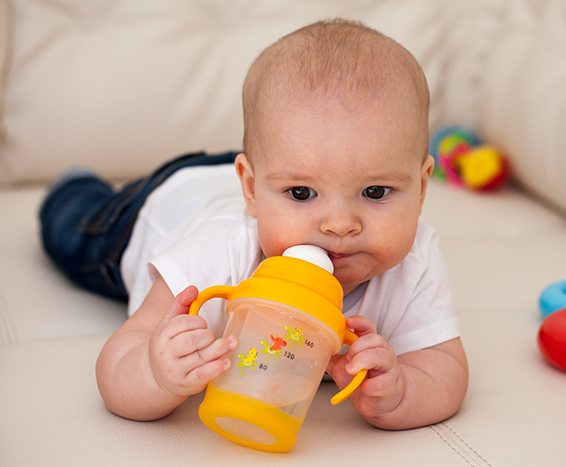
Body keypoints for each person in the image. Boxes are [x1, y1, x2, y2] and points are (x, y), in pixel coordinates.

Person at [40, 19, 468, 430]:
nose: (339, 225)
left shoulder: (414, 263)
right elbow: (119, 364)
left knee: (290, 159)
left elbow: (444, 368)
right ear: (250, 190)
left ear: (422, 188)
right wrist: (155, 372)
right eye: (302, 193)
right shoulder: (219, 253)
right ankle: (73, 183)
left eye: (375, 192)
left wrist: (400, 392)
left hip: (269, 166)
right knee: (75, 229)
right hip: (159, 206)